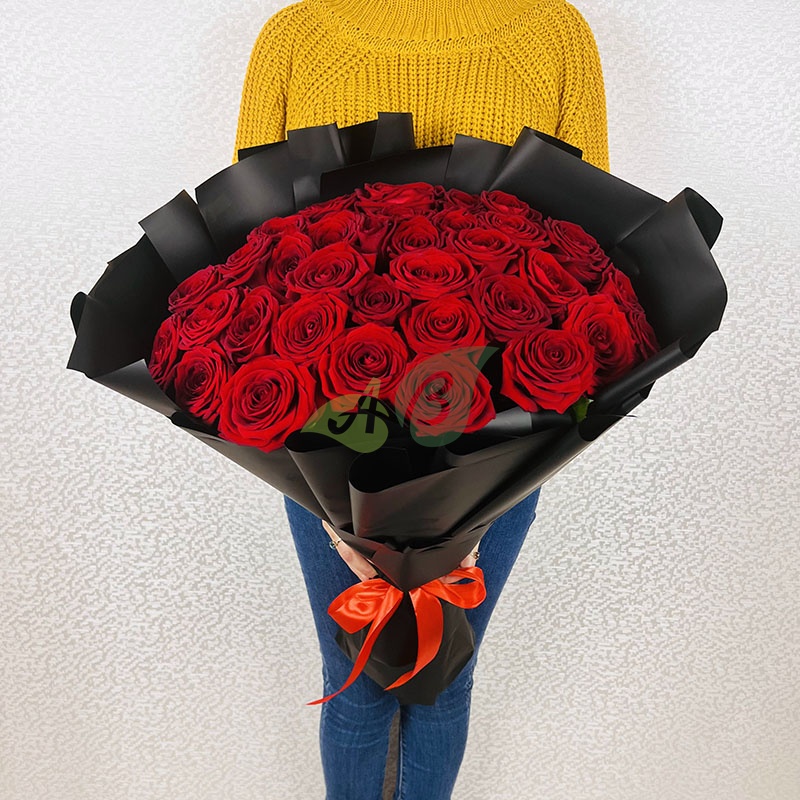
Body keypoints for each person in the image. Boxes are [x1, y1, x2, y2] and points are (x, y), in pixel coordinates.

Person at [233, 1, 609, 797]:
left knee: (445, 675)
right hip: (327, 438)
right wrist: (333, 506)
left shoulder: (555, 36)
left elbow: (588, 254)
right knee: (355, 679)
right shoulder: (296, 39)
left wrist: (483, 499)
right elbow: (256, 254)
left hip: (503, 435)